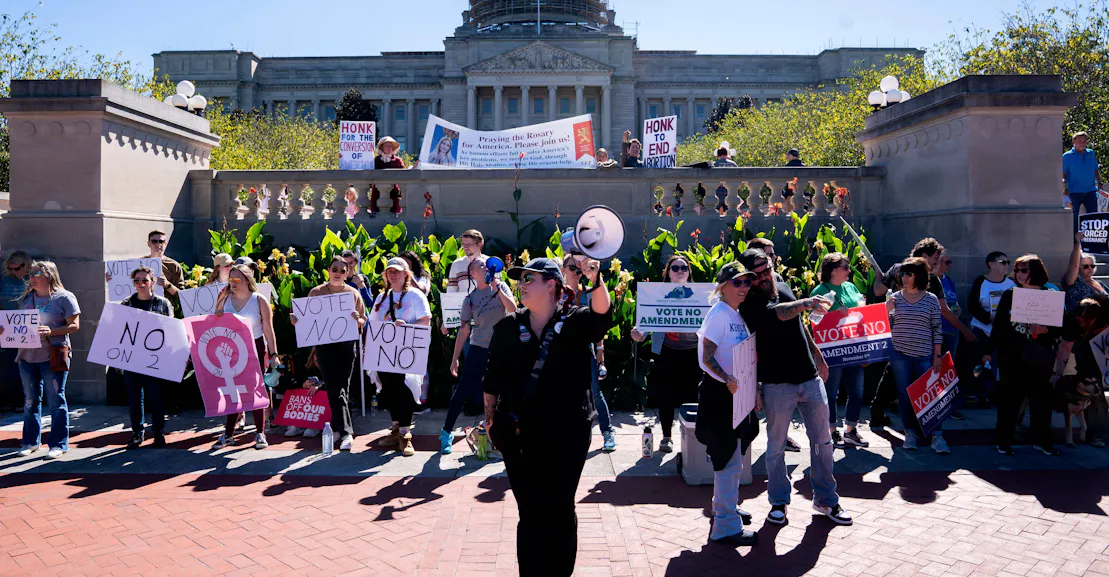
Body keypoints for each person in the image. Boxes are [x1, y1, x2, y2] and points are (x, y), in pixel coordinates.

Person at [483, 257, 612, 575]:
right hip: (519, 433)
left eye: (530, 278)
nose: (522, 284)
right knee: (529, 508)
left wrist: (595, 278)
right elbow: (493, 377)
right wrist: (489, 418)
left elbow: (602, 315)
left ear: (552, 284)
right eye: (521, 279)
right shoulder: (508, 327)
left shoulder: (576, 321)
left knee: (559, 505)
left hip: (568, 432)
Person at [739, 249, 852, 526]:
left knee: (823, 443)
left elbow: (799, 326)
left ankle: (826, 500)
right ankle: (779, 503)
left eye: (766, 269)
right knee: (776, 448)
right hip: (777, 384)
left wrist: (818, 356)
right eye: (756, 274)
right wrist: (805, 302)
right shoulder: (749, 302)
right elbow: (780, 314)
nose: (764, 277)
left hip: (810, 378)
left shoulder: (783, 285)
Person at [695, 262, 759, 546]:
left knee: (734, 456)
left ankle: (727, 508)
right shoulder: (719, 314)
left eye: (747, 282)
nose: (744, 287)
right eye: (738, 283)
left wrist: (751, 388)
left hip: (737, 394)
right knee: (728, 461)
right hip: (721, 395)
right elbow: (705, 358)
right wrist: (728, 380)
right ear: (723, 287)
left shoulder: (736, 314)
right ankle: (724, 526)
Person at [289, 256, 366, 450]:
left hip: (347, 345)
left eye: (343, 270)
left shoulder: (352, 293)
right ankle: (345, 431)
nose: (338, 273)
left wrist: (358, 320)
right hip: (324, 346)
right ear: (328, 270)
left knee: (342, 388)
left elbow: (364, 322)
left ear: (348, 273)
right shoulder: (316, 292)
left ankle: (341, 429)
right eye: (335, 269)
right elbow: (306, 321)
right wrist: (296, 321)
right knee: (335, 388)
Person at [440, 256, 516, 453]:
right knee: (463, 389)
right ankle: (446, 432)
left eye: (486, 264)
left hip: (503, 349)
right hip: (478, 348)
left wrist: (498, 288)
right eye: (480, 266)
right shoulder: (470, 299)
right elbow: (464, 330)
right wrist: (455, 358)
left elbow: (513, 309)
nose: (485, 267)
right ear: (472, 273)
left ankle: (505, 432)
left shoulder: (502, 287)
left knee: (507, 391)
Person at [8, 262, 80, 459]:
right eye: (30, 273)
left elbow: (74, 325)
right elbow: (18, 327)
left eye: (36, 273)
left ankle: (58, 444)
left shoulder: (64, 297)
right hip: (27, 356)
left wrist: (52, 331)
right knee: (30, 401)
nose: (31, 276)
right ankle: (30, 441)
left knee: (56, 399)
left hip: (53, 355)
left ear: (49, 275)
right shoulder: (26, 299)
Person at [630, 255, 703, 452]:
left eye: (684, 268)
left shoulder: (702, 295)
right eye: (675, 267)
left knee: (695, 397)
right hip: (667, 352)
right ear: (668, 273)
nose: (680, 271)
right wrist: (639, 333)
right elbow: (647, 321)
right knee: (666, 395)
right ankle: (667, 437)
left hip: (694, 353)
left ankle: (696, 438)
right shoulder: (656, 295)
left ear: (689, 272)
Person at [992, 254, 1061, 456]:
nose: (1019, 274)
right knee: (1009, 401)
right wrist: (990, 352)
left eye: (1024, 270)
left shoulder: (1050, 294)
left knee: (1041, 402)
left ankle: (1042, 441)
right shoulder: (1010, 294)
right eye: (1017, 270)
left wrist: (1045, 330)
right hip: (1012, 356)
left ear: (1036, 272)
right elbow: (999, 327)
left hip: (1040, 357)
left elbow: (1060, 328)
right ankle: (1003, 441)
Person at [211, 264, 279, 450]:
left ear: (247, 280)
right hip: (231, 350)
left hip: (254, 347)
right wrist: (221, 299)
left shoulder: (259, 300)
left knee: (256, 389)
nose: (232, 283)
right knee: (232, 390)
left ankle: (259, 433)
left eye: (236, 279)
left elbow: (268, 329)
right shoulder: (225, 299)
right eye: (230, 279)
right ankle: (228, 434)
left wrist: (273, 354)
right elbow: (215, 321)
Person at [743, 237, 802, 451]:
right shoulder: (745, 291)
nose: (773, 258)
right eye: (768, 254)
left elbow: (797, 326)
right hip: (758, 360)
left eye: (772, 255)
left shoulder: (780, 283)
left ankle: (781, 438)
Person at [369, 257, 432, 457]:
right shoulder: (381, 298)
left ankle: (405, 433)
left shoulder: (415, 295)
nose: (392, 274)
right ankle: (396, 427)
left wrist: (407, 328)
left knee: (405, 389)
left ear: (406, 273)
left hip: (407, 352)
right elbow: (373, 323)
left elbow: (425, 320)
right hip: (386, 353)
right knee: (389, 390)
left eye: (397, 271)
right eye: (389, 271)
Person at [886, 257, 949, 454]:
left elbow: (937, 328)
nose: (904, 278)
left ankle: (936, 435)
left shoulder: (930, 299)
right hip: (900, 354)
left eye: (909, 274)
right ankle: (910, 432)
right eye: (903, 274)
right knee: (904, 395)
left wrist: (937, 355)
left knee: (931, 394)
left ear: (919, 276)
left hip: (925, 354)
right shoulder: (894, 298)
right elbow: (885, 327)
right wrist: (886, 311)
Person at [810, 252, 869, 448]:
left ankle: (851, 430)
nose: (849, 271)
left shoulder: (850, 286)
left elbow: (861, 306)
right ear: (833, 270)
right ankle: (832, 431)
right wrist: (834, 314)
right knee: (831, 392)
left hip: (854, 347)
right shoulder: (820, 290)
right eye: (845, 267)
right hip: (832, 351)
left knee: (857, 392)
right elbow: (814, 321)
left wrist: (862, 306)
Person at [562, 254, 617, 452]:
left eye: (580, 268)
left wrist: (600, 353)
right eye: (572, 267)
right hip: (560, 352)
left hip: (585, 350)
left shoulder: (589, 292)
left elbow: (598, 326)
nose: (577, 271)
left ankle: (607, 431)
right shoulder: (554, 294)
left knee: (595, 392)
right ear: (563, 270)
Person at [119, 266, 174, 449]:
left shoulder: (163, 303)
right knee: (135, 398)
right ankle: (137, 433)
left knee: (156, 397)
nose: (141, 284)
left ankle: (158, 432)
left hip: (154, 359)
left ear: (152, 282)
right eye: (137, 281)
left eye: (144, 280)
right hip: (132, 359)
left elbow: (171, 330)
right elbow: (119, 331)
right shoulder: (126, 303)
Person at [1057, 297, 1109, 448]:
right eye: (1083, 321)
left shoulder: (1106, 309)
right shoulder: (1071, 321)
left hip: (1104, 342)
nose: (1087, 324)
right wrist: (1058, 374)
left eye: (1091, 321)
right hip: (1085, 348)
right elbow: (1065, 348)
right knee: (1093, 387)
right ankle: (1096, 434)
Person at [967, 251, 1015, 404]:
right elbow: (972, 306)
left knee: (999, 364)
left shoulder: (1011, 284)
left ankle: (995, 395)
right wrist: (989, 318)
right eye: (1003, 262)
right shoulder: (981, 282)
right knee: (980, 363)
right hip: (982, 329)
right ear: (991, 264)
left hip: (1003, 332)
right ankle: (979, 394)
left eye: (1008, 262)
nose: (1007, 265)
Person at [1, 250, 30, 411]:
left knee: (25, 366)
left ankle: (22, 400)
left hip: (26, 328)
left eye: (17, 268)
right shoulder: (5, 279)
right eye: (10, 269)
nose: (13, 272)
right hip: (6, 328)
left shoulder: (32, 279)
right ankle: (9, 400)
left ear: (26, 266)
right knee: (8, 365)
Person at [1063, 131, 1102, 235]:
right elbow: (1063, 174)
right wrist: (1064, 189)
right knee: (1074, 217)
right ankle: (1074, 243)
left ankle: (1092, 242)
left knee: (1093, 217)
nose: (1082, 142)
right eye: (1079, 140)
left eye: (1084, 140)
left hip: (1090, 191)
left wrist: (1100, 182)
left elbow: (1095, 169)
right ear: (1073, 141)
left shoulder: (1091, 153)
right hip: (1074, 192)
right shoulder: (1067, 156)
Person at [1063, 231, 1107, 311]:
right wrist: (1078, 242)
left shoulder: (1100, 283)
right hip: (1080, 320)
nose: (1090, 268)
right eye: (1086, 266)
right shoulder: (1074, 282)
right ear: (1078, 268)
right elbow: (1074, 265)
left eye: (1092, 265)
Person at [147, 230, 186, 301]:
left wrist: (167, 284)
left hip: (165, 309)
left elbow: (181, 295)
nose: (158, 244)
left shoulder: (174, 266)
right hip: (141, 308)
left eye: (161, 241)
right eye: (154, 241)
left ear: (165, 244)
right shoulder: (139, 263)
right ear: (148, 244)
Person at [447, 229, 484, 294]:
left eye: (469, 244)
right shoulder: (457, 264)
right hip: (463, 303)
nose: (465, 247)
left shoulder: (491, 263)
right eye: (463, 244)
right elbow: (451, 291)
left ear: (479, 244)